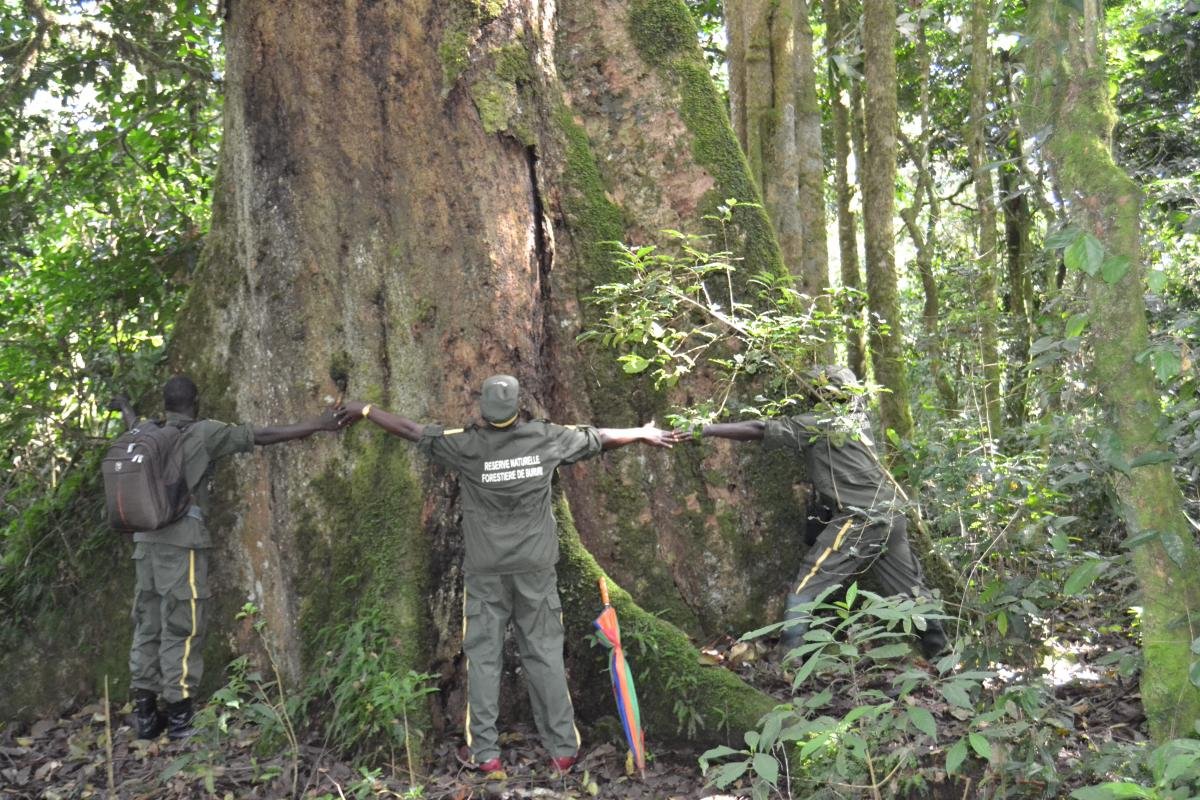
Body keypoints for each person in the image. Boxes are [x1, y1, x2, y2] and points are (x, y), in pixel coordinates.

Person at [336, 375, 675, 776]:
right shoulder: (545, 438)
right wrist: (641, 432)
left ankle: (485, 754)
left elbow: (411, 431)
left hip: (487, 572)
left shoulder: (465, 444)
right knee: (545, 653)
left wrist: (366, 410)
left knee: (484, 658)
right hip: (535, 568)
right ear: (518, 408)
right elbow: (598, 437)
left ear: (483, 409)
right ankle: (563, 749)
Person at [108, 375, 342, 741]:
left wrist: (125, 407)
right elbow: (260, 435)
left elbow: (131, 423)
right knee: (182, 628)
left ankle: (145, 715)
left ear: (166, 405)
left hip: (144, 544)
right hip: (181, 544)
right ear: (195, 402)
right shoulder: (205, 433)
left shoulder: (146, 433)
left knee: (147, 624)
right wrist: (321, 424)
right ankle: (182, 718)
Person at [680, 365, 948, 659]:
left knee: (807, 583)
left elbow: (760, 429)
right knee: (909, 590)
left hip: (861, 519)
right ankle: (941, 655)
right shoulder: (858, 420)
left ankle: (789, 657)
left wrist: (706, 429)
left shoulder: (820, 424)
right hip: (892, 513)